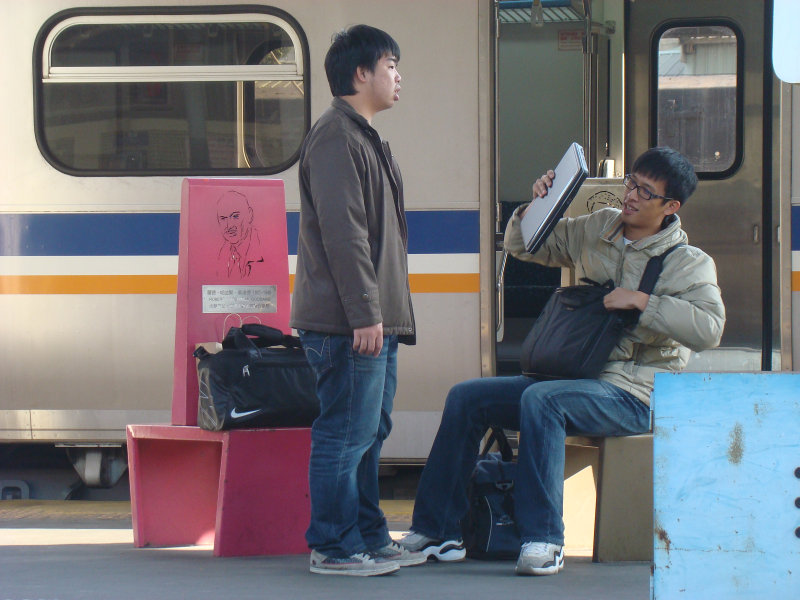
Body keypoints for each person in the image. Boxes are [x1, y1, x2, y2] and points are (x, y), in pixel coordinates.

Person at [399, 147, 726, 576]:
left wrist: (645, 302)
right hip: (573, 377)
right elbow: (524, 247)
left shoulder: (689, 263)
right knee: (467, 397)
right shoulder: (599, 227)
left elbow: (710, 329)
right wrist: (537, 206)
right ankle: (437, 532)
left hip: (633, 394)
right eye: (631, 183)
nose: (630, 196)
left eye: (645, 192)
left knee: (543, 401)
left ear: (671, 207)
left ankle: (543, 539)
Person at [289, 24, 422, 576]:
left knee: (368, 434)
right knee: (345, 434)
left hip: (374, 323)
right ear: (361, 73)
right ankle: (334, 546)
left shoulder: (362, 135)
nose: (398, 76)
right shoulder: (335, 138)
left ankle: (367, 534)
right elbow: (345, 236)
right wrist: (367, 314)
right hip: (349, 326)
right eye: (391, 65)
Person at [215, 190, 264, 279]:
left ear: (250, 215)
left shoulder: (264, 249)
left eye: (235, 216)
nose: (229, 225)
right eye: (223, 218)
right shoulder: (221, 255)